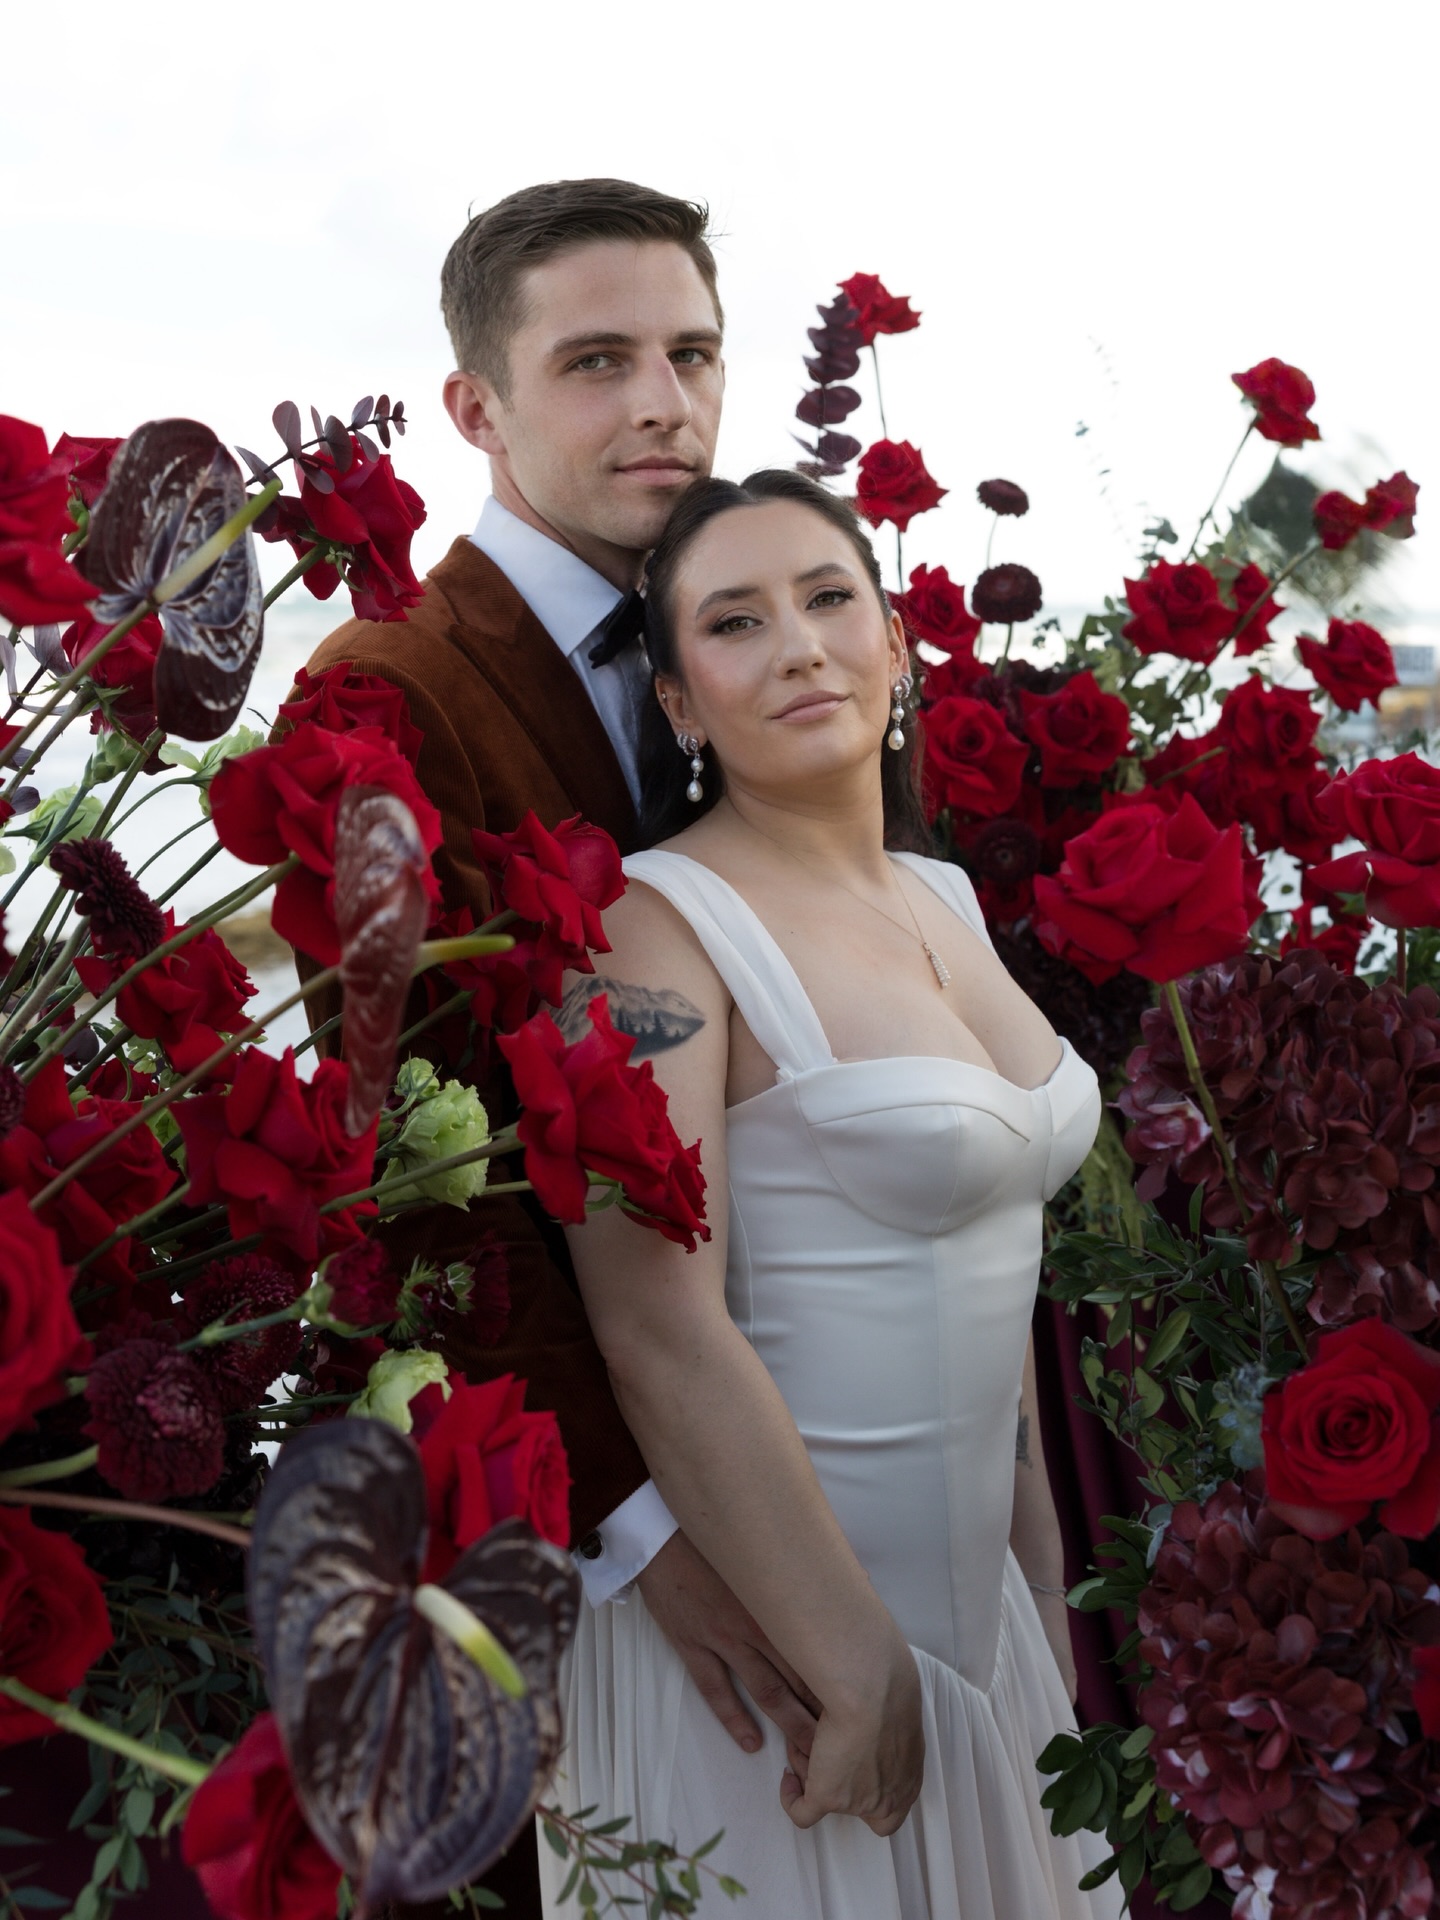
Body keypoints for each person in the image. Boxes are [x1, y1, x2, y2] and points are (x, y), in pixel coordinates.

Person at [294, 181, 822, 1916]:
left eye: (692, 353)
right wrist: (642, 1533)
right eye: (597, 361)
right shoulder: (388, 686)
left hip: (821, 1428)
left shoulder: (744, 643)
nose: (664, 400)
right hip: (592, 1531)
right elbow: (413, 1163)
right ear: (476, 408)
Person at [539, 469, 1122, 1919]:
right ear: (678, 703)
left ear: (898, 644)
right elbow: (656, 1327)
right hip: (785, 1668)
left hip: (993, 1651)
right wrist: (853, 1663)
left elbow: (1000, 1285)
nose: (797, 644)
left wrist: (1047, 1621)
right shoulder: (649, 930)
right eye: (734, 623)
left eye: (827, 599)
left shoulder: (946, 899)